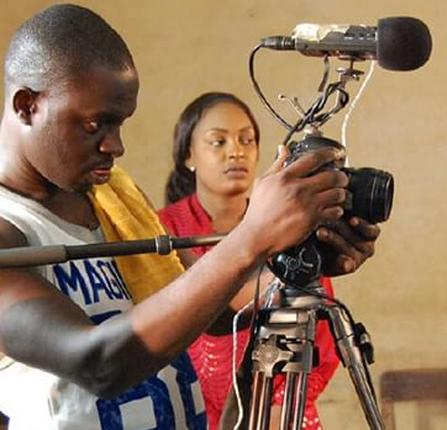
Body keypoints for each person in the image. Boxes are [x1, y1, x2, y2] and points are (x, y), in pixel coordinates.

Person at [0, 4, 377, 429]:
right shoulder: (8, 229)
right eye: (95, 125)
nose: (116, 146)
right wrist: (250, 237)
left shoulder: (112, 197)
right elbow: (96, 362)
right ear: (27, 105)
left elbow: (202, 311)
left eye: (120, 124)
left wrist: (288, 254)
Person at [158, 92, 351, 430]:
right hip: (185, 414)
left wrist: (278, 409)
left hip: (282, 413)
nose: (236, 151)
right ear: (189, 155)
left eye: (247, 140)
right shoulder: (164, 230)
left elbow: (318, 326)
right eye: (218, 141)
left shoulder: (289, 222)